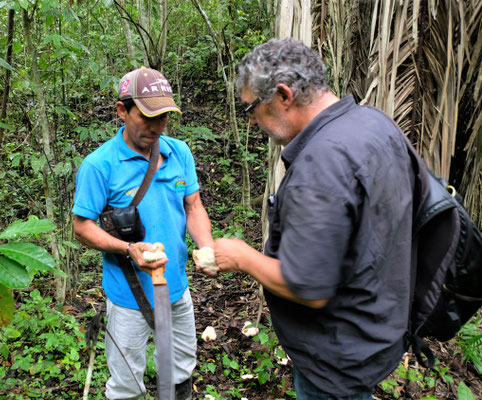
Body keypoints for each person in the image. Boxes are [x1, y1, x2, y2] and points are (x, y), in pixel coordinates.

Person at [203, 38, 415, 399]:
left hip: (337, 353)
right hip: (378, 326)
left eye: (252, 108)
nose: (252, 120)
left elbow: (308, 287)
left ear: (284, 95)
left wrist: (241, 257)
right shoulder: (373, 123)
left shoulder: (321, 164)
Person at [73, 67, 214, 400]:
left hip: (176, 290)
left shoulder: (178, 152)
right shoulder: (100, 165)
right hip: (128, 295)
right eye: (147, 117)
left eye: (164, 117)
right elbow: (81, 228)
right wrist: (128, 249)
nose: (157, 126)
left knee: (181, 370)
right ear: (122, 110)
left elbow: (193, 207)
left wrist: (207, 248)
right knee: (126, 385)